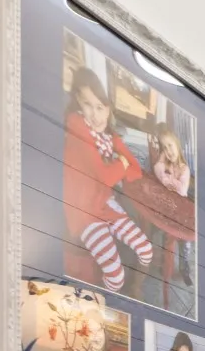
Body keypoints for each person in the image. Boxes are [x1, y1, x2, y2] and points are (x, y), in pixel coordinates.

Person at [61, 66, 154, 293]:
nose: (95, 114)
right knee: (115, 275)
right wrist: (120, 163)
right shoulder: (77, 125)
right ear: (78, 103)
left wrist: (120, 165)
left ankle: (135, 289)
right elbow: (106, 177)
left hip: (104, 203)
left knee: (146, 250)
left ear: (108, 109)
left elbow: (135, 170)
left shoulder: (108, 136)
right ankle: (102, 302)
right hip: (84, 210)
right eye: (87, 105)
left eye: (100, 107)